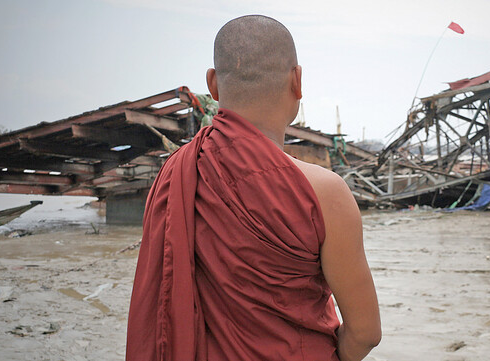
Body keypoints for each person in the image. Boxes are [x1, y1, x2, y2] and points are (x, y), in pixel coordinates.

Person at [126, 15, 381, 361]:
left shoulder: (174, 176)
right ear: (298, 81)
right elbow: (365, 332)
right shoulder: (326, 192)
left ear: (212, 85)